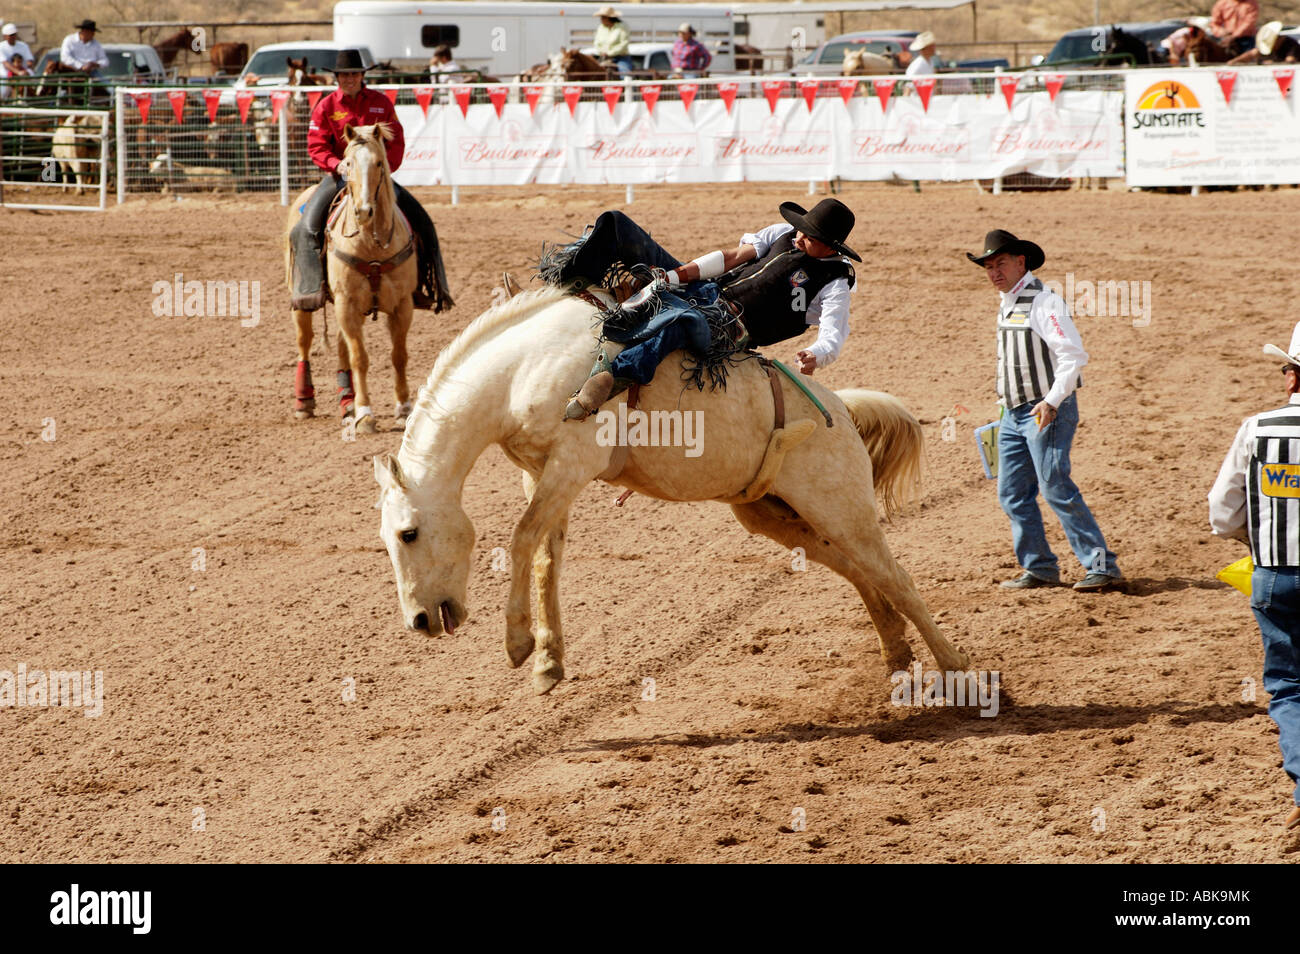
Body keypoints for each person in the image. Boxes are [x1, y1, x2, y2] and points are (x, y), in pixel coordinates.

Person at [540, 199, 859, 420]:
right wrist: (675, 276)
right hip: (702, 289)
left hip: (730, 329)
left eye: (811, 235)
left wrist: (816, 354)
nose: (801, 236)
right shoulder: (782, 234)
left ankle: (618, 375)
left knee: (682, 320)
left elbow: (833, 335)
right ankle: (565, 285)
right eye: (802, 228)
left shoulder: (834, 283)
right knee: (616, 225)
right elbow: (732, 257)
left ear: (831, 246)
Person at [968, 229, 1121, 591]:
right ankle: (1039, 568)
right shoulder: (1008, 300)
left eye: (1000, 264)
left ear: (1021, 262)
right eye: (988, 266)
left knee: (1055, 487)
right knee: (1012, 493)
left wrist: (1051, 401)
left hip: (1045, 411)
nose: (993, 273)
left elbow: (1072, 355)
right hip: (1013, 413)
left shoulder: (1044, 302)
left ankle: (1103, 566)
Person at [1208, 322, 1300, 834]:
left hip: (1275, 577)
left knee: (1288, 686)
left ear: (1293, 378)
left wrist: (1258, 539)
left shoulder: (1257, 429)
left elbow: (1221, 514)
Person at [290, 49, 450, 313]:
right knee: (304, 228)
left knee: (423, 222)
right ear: (337, 78)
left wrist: (385, 169)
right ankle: (311, 286)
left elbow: (396, 140)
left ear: (362, 75)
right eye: (344, 74)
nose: (349, 79)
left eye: (354, 73)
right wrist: (336, 164)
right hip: (340, 177)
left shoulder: (381, 103)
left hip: (376, 178)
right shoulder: (326, 106)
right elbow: (316, 146)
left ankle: (423, 287)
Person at [1228, 20, 1300, 65]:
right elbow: (1253, 53)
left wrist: (1274, 64)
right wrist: (1235, 61)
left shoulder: (1291, 45)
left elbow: (1290, 61)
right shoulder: (1266, 49)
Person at [593, 6, 633, 74]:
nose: (601, 19)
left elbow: (624, 44)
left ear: (609, 18)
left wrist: (609, 53)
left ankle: (628, 84)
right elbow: (596, 43)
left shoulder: (622, 27)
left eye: (603, 17)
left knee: (624, 74)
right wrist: (602, 52)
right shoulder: (601, 28)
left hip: (620, 58)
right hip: (603, 57)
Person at [0, 23, 34, 99]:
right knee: (3, 91)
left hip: (22, 72)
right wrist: (18, 72)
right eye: (10, 35)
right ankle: (4, 102)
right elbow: (6, 64)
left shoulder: (23, 45)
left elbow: (29, 60)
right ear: (5, 36)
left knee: (32, 76)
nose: (13, 37)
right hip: (6, 74)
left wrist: (26, 70)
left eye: (14, 34)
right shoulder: (1, 47)